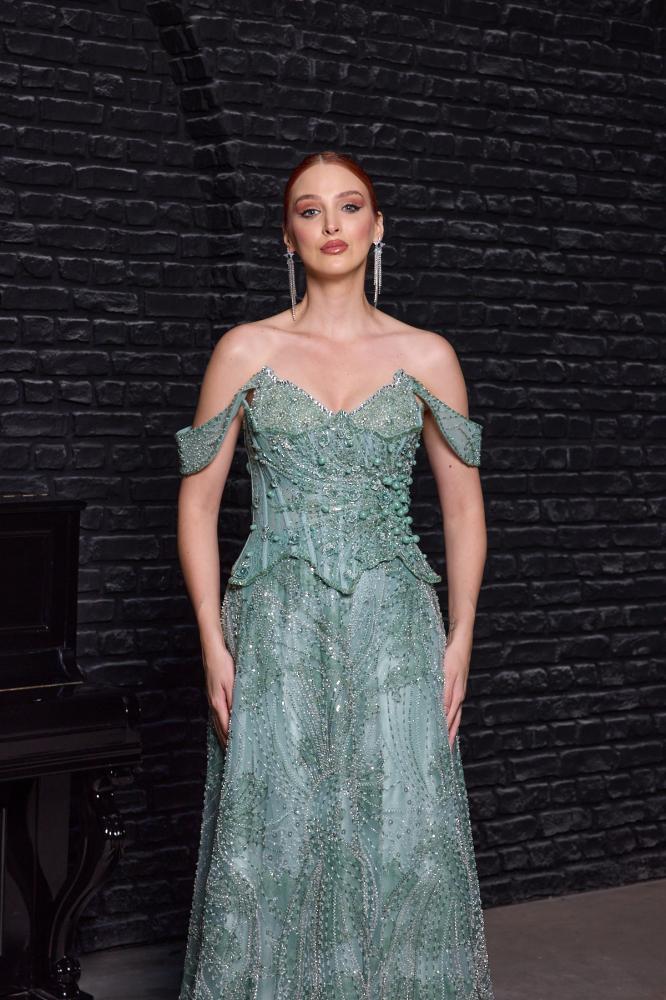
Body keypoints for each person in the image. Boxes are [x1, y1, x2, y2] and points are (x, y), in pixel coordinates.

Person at [175, 150, 495, 999]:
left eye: (349, 207)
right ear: (288, 235)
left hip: (395, 628)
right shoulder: (245, 350)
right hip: (275, 627)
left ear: (377, 226)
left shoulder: (426, 355)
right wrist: (211, 640)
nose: (331, 225)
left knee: (405, 834)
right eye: (309, 210)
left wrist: (461, 636)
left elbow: (463, 508)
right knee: (273, 836)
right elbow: (197, 506)